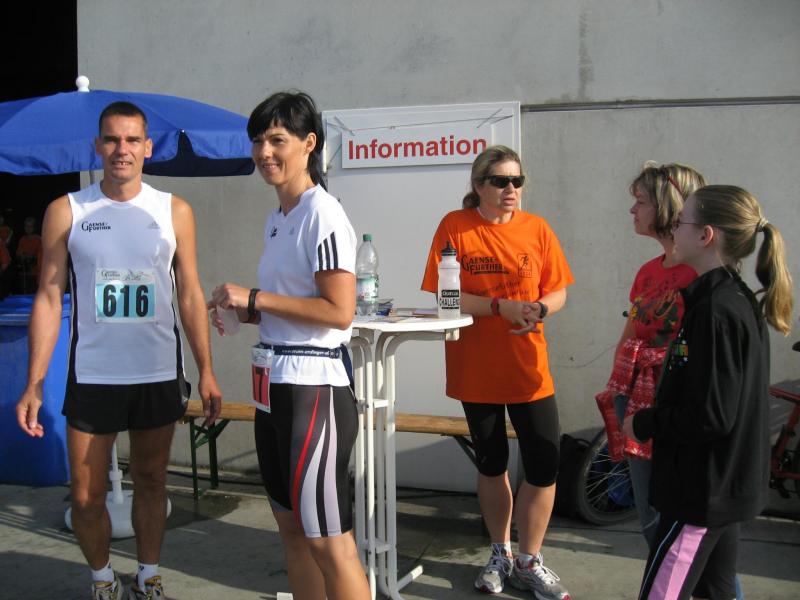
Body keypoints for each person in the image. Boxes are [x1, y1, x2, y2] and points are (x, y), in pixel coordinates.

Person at [15, 101, 222, 600]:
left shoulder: (174, 211)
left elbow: (190, 293)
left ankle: (149, 577)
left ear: (148, 147)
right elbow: (49, 296)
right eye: (111, 139)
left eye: (131, 140)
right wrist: (34, 381)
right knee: (87, 495)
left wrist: (207, 370)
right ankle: (104, 580)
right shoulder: (67, 210)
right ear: (97, 146)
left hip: (156, 372)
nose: (121, 150)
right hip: (93, 375)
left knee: (151, 481)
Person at [208, 91, 370, 600]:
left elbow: (339, 311)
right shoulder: (279, 216)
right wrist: (245, 311)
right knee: (292, 531)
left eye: (277, 140)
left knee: (329, 543)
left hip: (314, 389)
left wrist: (256, 296)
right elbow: (294, 306)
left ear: (309, 143)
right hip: (272, 387)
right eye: (258, 141)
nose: (264, 152)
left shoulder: (324, 213)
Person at [624, 185, 794, 600]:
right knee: (717, 593)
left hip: (702, 493)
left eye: (681, 222)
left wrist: (643, 422)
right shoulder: (723, 298)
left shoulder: (718, 309)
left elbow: (711, 415)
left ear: (706, 236)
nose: (674, 229)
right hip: (719, 487)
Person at [421, 145, 574, 599]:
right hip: (477, 367)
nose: (511, 189)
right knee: (492, 462)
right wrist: (497, 307)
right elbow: (445, 297)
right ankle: (500, 552)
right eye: (501, 181)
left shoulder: (537, 228)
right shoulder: (455, 225)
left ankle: (529, 559)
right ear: (478, 185)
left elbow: (558, 290)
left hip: (529, 367)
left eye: (517, 181)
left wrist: (541, 308)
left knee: (544, 465)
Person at [595, 162, 706, 550]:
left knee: (686, 529)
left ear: (667, 206)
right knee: (651, 517)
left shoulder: (701, 273)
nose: (632, 210)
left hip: (676, 404)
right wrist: (617, 386)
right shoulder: (648, 271)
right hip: (636, 399)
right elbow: (633, 328)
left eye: (640, 201)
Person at [16, 216, 43, 293]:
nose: (28, 228)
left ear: (34, 227)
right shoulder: (22, 239)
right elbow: (18, 253)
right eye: (26, 226)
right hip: (24, 274)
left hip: (36, 273)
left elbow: (40, 257)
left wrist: (30, 257)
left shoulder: (39, 240)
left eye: (30, 226)